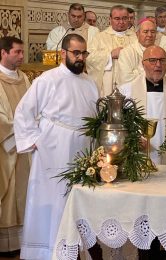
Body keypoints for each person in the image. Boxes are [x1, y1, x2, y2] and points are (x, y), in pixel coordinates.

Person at [14, 34, 99, 260]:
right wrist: (35, 140)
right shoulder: (47, 79)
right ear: (63, 54)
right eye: (76, 53)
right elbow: (24, 111)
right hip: (54, 149)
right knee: (53, 198)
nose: (81, 58)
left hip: (84, 150)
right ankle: (47, 251)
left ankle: (75, 249)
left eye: (84, 53)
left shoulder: (90, 83)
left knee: (78, 199)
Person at [119, 46, 166, 164]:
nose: (158, 65)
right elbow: (120, 124)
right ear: (143, 64)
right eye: (152, 60)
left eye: (162, 60)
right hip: (140, 153)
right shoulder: (127, 91)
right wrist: (133, 138)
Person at [0, 36, 30, 254]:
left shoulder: (25, 79)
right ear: (3, 52)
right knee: (8, 191)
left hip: (26, 146)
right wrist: (19, 133)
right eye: (17, 52)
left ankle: (23, 240)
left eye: (22, 52)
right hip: (6, 148)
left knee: (25, 189)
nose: (21, 56)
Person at [86, 5, 135, 97]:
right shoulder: (99, 37)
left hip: (130, 85)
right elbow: (89, 59)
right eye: (117, 18)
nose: (121, 22)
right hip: (106, 86)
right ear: (110, 19)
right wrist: (110, 55)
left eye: (124, 18)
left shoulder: (135, 38)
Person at [117, 18, 166, 85]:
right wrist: (155, 74)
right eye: (145, 32)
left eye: (152, 32)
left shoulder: (161, 52)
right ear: (137, 34)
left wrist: (138, 72)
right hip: (135, 93)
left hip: (160, 92)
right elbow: (125, 79)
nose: (149, 35)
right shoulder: (126, 53)